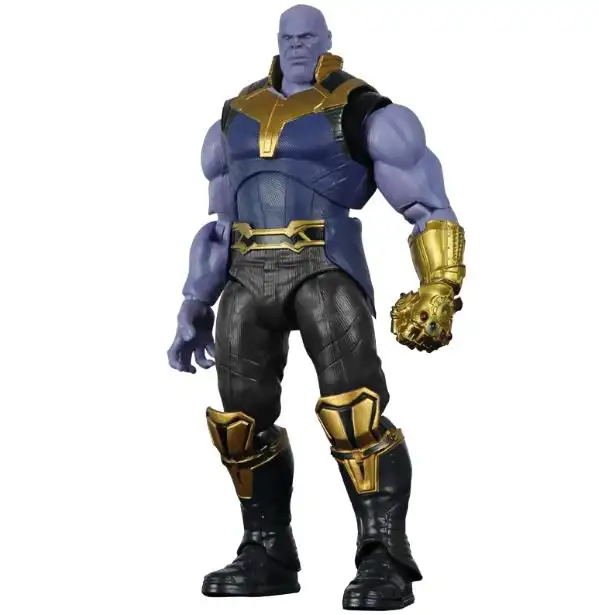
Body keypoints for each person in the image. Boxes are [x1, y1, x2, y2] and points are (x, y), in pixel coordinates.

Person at [167, 4, 466, 610]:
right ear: (277, 40)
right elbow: (220, 223)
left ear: (327, 40)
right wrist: (194, 301)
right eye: (289, 35)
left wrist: (440, 284)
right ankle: (266, 550)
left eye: (309, 35)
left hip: (324, 270)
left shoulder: (364, 112)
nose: (298, 44)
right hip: (246, 276)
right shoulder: (235, 117)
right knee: (238, 424)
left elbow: (427, 205)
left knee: (355, 414)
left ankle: (384, 555)